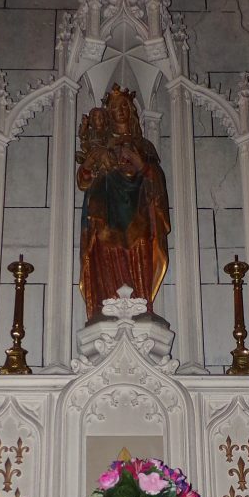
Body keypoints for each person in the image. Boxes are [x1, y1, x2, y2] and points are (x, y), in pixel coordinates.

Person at [76, 84, 170, 322]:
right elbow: (83, 181)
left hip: (138, 213)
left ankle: (141, 307)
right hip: (106, 213)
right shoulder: (100, 144)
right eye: (115, 107)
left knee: (139, 251)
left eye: (125, 106)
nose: (120, 111)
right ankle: (106, 306)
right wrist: (90, 163)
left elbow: (156, 180)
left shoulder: (144, 146)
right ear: (108, 114)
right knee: (107, 251)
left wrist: (140, 164)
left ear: (132, 111)